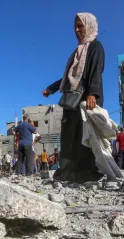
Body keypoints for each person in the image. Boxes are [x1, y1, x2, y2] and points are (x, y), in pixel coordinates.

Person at [41, 13, 105, 183]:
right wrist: (52, 88)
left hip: (86, 99)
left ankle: (88, 171)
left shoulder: (95, 47)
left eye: (80, 26)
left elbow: (95, 71)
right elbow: (68, 77)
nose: (76, 30)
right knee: (69, 135)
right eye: (75, 27)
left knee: (85, 135)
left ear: (89, 26)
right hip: (72, 100)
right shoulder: (77, 52)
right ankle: (67, 170)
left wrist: (93, 93)